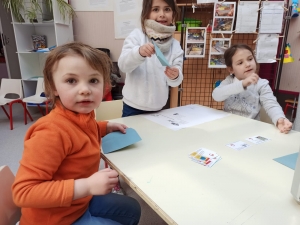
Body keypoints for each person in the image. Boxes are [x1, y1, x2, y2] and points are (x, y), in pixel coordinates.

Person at [12, 42, 141, 225]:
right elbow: (23, 193)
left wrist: (105, 127)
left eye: (93, 80)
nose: (85, 89)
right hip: (53, 219)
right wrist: (87, 185)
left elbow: (83, 129)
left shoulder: (82, 115)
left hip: (77, 204)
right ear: (54, 87)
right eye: (71, 80)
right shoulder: (50, 132)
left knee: (132, 209)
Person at [118, 0, 183, 117]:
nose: (162, 14)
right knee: (132, 135)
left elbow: (176, 81)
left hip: (159, 107)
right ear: (146, 13)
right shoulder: (137, 36)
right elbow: (123, 65)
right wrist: (139, 53)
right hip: (132, 107)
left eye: (167, 9)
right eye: (155, 9)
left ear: (173, 13)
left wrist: (175, 76)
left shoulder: (175, 45)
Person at [212, 44, 292, 134]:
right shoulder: (229, 81)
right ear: (231, 69)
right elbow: (216, 95)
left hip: (251, 130)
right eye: (240, 63)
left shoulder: (261, 84)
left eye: (250, 59)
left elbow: (271, 104)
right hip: (228, 128)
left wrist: (279, 118)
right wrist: (242, 84)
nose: (248, 64)